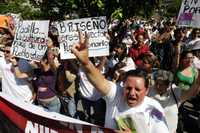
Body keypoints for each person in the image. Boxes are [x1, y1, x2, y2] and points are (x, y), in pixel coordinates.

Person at [71, 31, 169, 133]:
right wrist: (86, 62)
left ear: (146, 90)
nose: (132, 93)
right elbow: (99, 81)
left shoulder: (154, 108)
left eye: (137, 89)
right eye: (128, 88)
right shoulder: (116, 94)